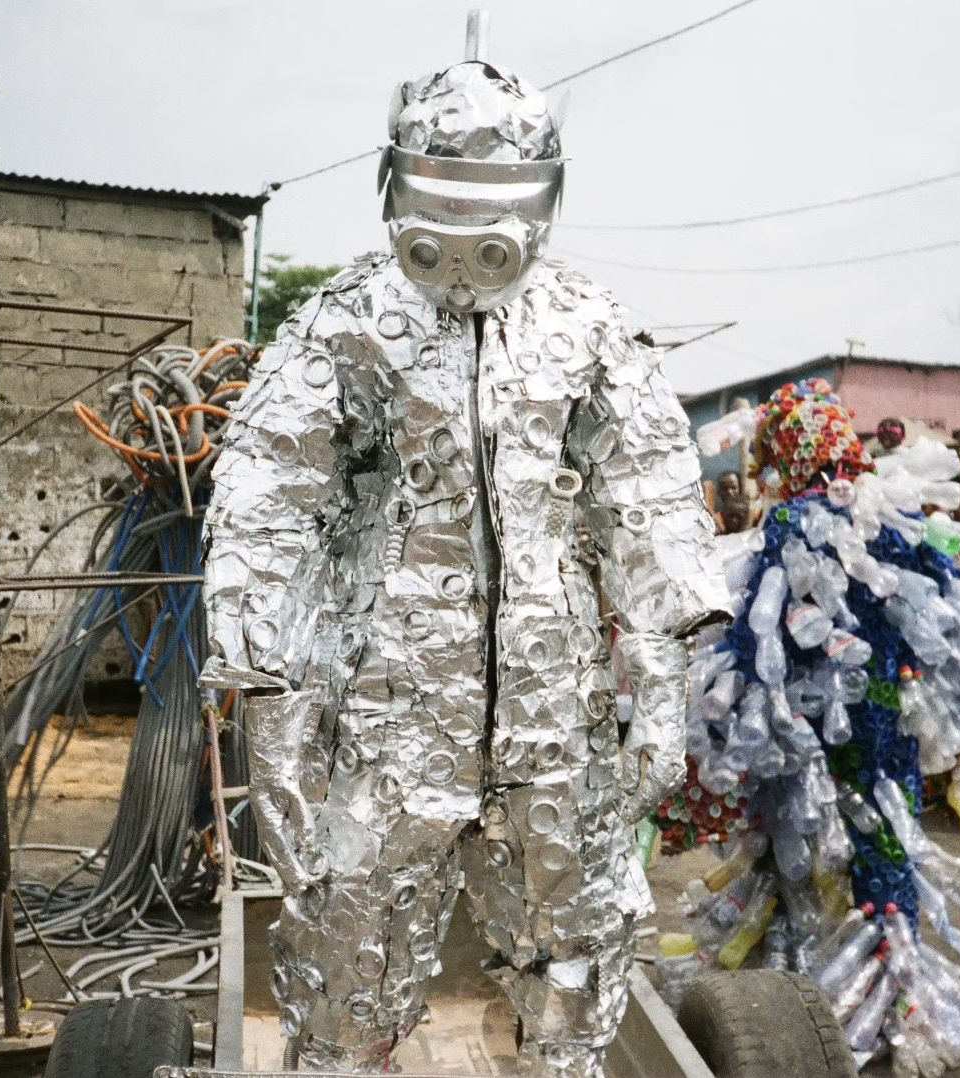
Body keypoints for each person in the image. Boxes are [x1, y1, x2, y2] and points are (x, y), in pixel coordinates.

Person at [200, 48, 727, 1077]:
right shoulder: (346, 322)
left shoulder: (587, 325)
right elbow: (267, 497)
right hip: (393, 716)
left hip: (554, 715)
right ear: (394, 188)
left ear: (544, 198)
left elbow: (650, 492)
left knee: (576, 948)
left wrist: (661, 681)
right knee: (346, 946)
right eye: (441, 197)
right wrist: (268, 703)